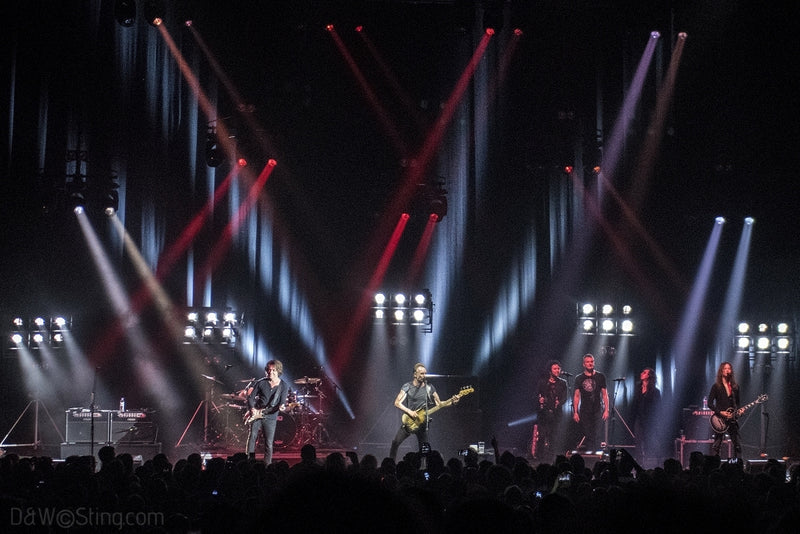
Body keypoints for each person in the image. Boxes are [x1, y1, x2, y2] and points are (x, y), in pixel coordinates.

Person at [389, 362, 458, 461]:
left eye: (425, 373)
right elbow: (397, 403)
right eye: (421, 373)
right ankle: (390, 464)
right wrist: (409, 411)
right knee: (395, 443)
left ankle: (423, 468)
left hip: (422, 423)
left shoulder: (429, 387)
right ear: (415, 374)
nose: (424, 375)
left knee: (424, 450)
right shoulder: (407, 386)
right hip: (409, 422)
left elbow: (439, 404)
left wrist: (452, 402)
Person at [245, 359, 290, 464]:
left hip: (270, 416)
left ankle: (267, 465)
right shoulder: (261, 382)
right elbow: (250, 398)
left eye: (273, 370)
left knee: (268, 443)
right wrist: (252, 409)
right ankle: (249, 462)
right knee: (252, 437)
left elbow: (281, 403)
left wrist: (282, 407)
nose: (271, 372)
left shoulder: (284, 386)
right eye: (269, 370)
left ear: (278, 371)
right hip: (256, 414)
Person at [572, 353, 609, 452]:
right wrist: (575, 412)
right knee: (588, 434)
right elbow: (576, 396)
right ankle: (590, 455)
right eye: (587, 362)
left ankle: (597, 455)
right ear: (583, 364)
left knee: (597, 433)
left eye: (592, 361)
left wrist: (606, 410)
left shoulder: (600, 376)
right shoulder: (579, 378)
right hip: (585, 410)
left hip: (597, 409)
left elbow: (605, 394)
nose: (590, 364)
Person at [533, 360, 569, 461]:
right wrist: (539, 399)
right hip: (543, 412)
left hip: (556, 413)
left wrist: (559, 402)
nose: (557, 370)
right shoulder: (542, 382)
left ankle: (551, 457)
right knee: (542, 435)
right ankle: (540, 456)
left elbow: (565, 398)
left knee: (553, 436)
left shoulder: (563, 383)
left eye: (558, 368)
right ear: (550, 370)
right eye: (555, 369)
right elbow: (536, 394)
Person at [707, 361, 741, 459]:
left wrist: (739, 411)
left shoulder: (735, 387)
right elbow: (710, 403)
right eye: (725, 368)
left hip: (732, 419)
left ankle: (738, 463)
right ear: (721, 371)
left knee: (737, 444)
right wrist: (720, 412)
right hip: (720, 419)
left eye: (729, 368)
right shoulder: (716, 386)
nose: (727, 370)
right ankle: (715, 463)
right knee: (717, 444)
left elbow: (738, 403)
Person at [629, 367, 661, 464]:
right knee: (638, 441)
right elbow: (634, 404)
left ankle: (656, 461)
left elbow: (657, 407)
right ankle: (640, 462)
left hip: (649, 420)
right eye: (642, 372)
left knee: (651, 441)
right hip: (639, 419)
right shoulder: (638, 388)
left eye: (644, 372)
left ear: (649, 376)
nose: (642, 373)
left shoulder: (655, 391)